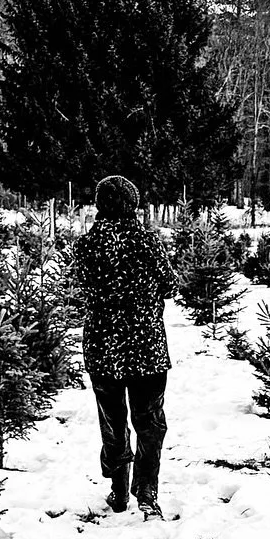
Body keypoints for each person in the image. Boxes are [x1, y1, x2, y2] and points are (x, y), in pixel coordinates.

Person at [72, 174, 173, 519]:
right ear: (133, 204)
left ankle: (118, 489)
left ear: (100, 205)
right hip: (147, 348)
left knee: (112, 421)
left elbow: (81, 286)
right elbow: (170, 284)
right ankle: (147, 490)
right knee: (149, 421)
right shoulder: (149, 242)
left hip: (102, 346)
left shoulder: (86, 246)